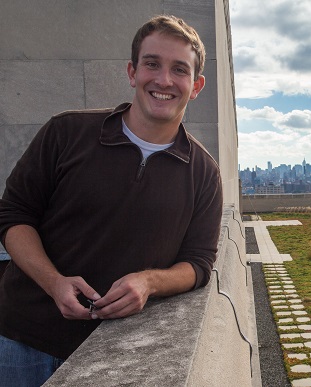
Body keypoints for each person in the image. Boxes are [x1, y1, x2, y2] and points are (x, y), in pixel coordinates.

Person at [0, 15, 223, 385]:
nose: (164, 80)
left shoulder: (203, 172)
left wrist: (149, 282)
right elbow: (13, 215)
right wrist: (53, 282)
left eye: (179, 70)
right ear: (132, 72)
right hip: (21, 340)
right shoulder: (66, 131)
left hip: (115, 355)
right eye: (152, 64)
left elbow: (199, 263)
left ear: (196, 85)